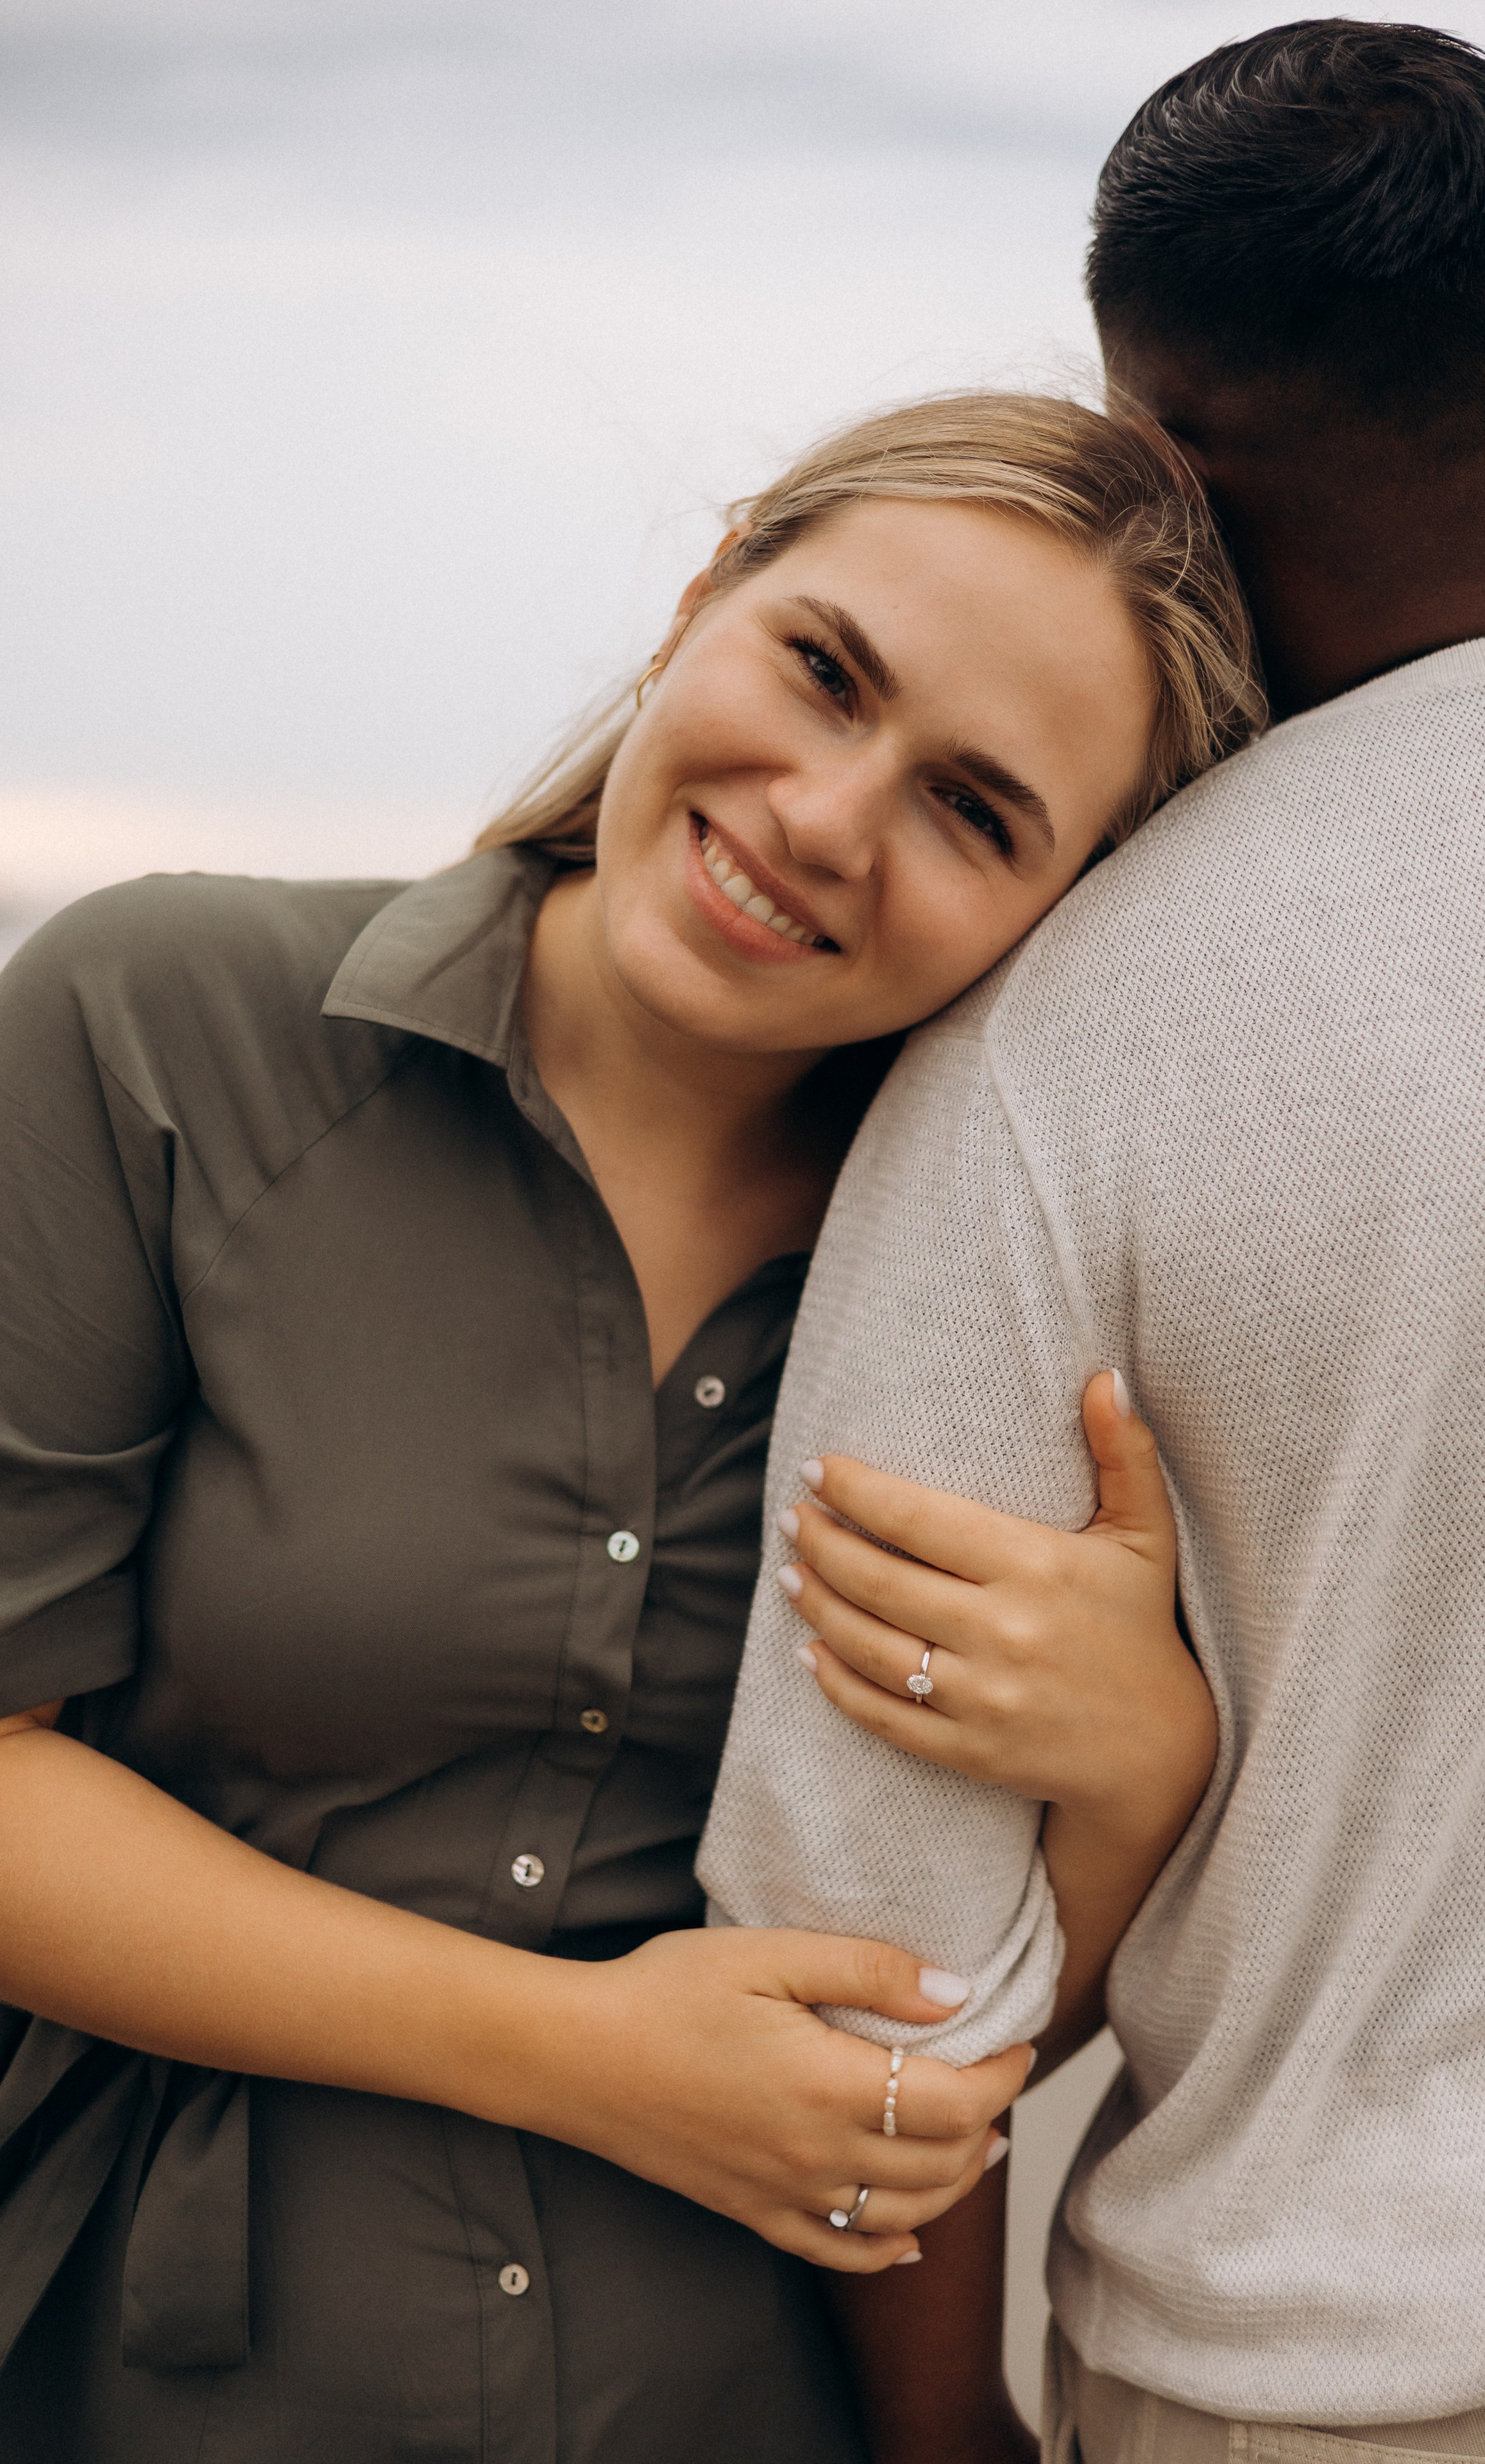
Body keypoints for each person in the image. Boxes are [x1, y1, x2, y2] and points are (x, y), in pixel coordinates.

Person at [0, 393, 1259, 2463]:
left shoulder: (1031, 1310)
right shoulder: (162, 1023)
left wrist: (1141, 1768)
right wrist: (580, 2050)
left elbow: (944, 2056)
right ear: (700, 603)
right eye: (823, 672)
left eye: (975, 810)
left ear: (1072, 909)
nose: (830, 817)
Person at [699, 21, 1485, 2461]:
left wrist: (942, 2442)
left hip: (1350, 2379)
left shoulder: (1064, 1039)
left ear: (1167, 462)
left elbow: (866, 1972)